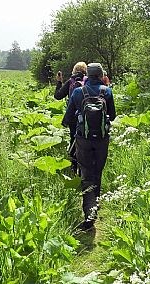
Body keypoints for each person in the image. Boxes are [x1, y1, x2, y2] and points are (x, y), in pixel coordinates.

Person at [62, 62, 116, 231]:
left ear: (87, 75)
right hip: (101, 139)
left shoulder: (78, 92)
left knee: (86, 174)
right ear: (100, 75)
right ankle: (95, 204)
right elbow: (112, 116)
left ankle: (89, 215)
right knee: (97, 172)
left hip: (83, 139)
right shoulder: (107, 91)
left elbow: (68, 117)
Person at [54, 62, 87, 174]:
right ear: (85, 71)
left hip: (73, 116)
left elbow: (57, 96)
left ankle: (74, 168)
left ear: (74, 71)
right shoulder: (88, 81)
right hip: (87, 116)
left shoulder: (70, 82)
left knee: (74, 139)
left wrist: (59, 81)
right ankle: (85, 167)